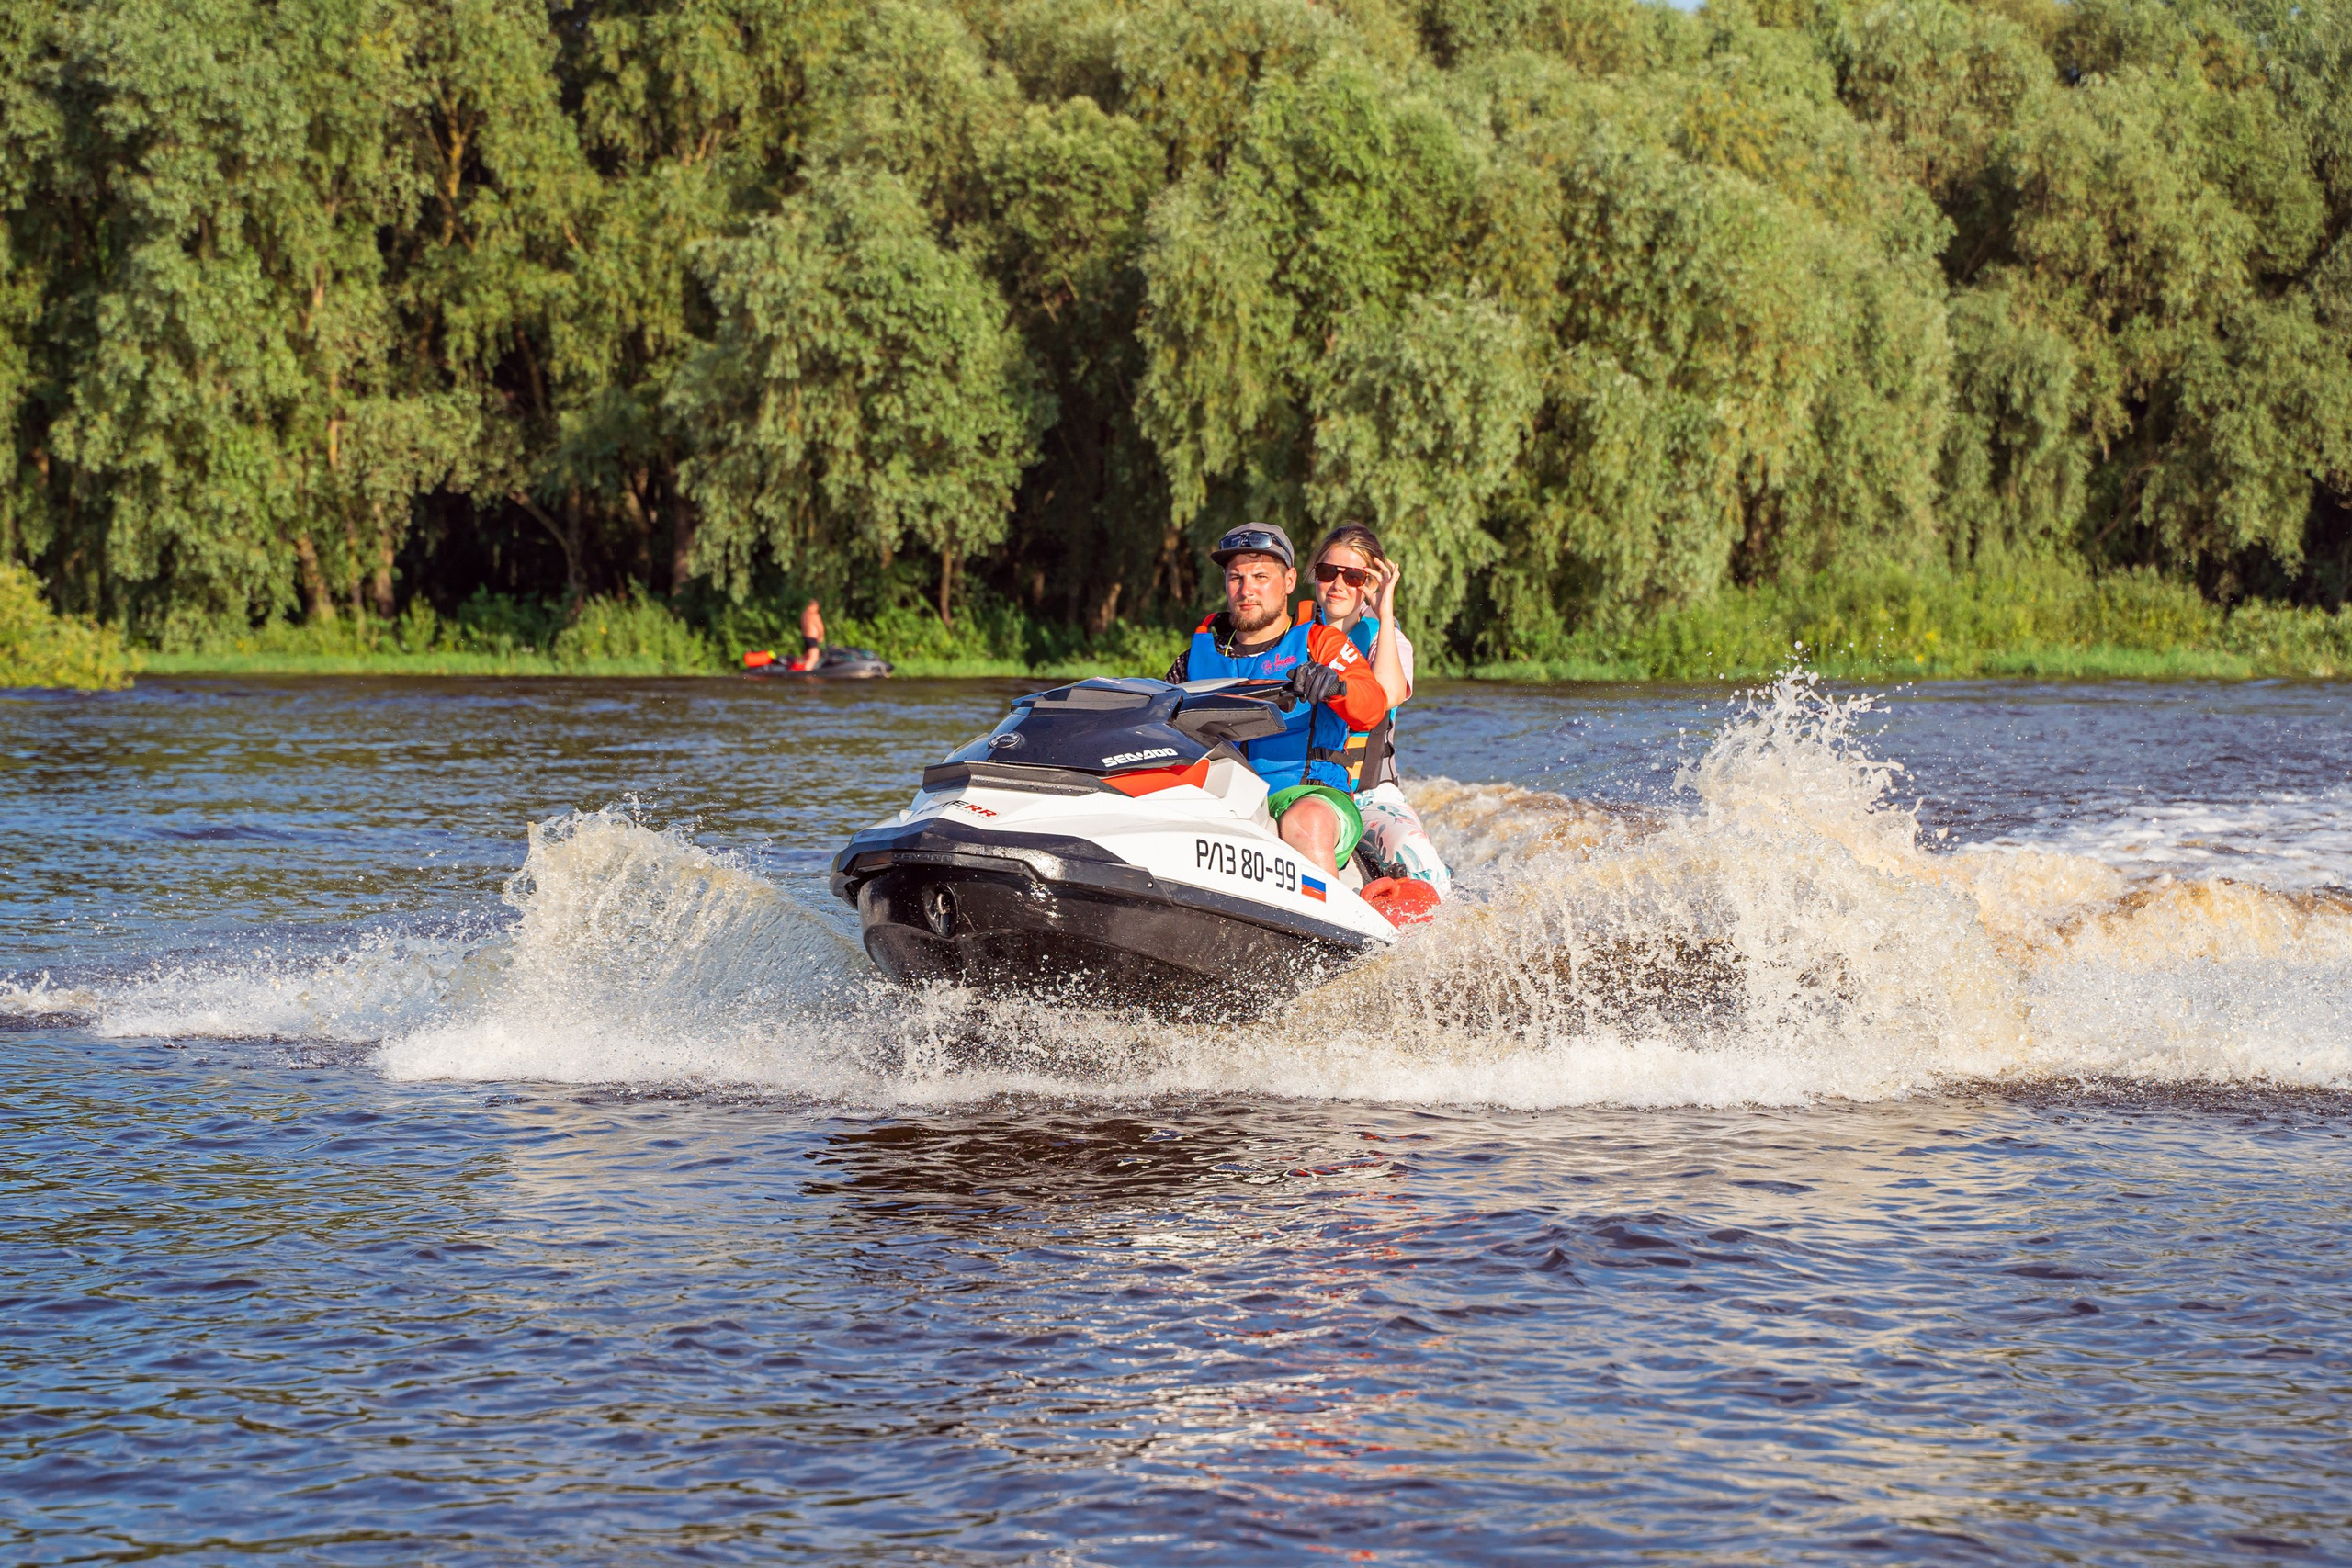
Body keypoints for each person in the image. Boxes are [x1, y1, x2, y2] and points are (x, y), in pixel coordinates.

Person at [1163, 524, 1387, 876]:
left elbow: (1373, 707)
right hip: (1220, 799)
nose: (1246, 590)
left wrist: (1336, 687)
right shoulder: (1193, 659)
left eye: (1261, 577)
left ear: (1289, 581)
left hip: (1306, 797)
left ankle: (1325, 927)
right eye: (1236, 578)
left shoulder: (1322, 644)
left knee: (1306, 819)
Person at [1306, 525, 1453, 901]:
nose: (1338, 585)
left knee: (1420, 862)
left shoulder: (1384, 639)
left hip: (1367, 796)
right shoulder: (1292, 635)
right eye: (1327, 573)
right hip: (1299, 786)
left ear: (1368, 583)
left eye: (1353, 576)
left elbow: (1385, 695)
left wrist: (1384, 612)